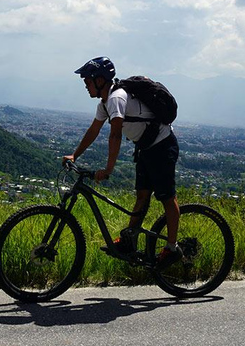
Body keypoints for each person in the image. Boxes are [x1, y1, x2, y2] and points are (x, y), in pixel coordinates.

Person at [62, 57, 182, 269]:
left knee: (166, 197)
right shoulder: (104, 104)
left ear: (100, 80)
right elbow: (93, 131)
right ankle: (129, 242)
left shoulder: (117, 98)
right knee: (142, 196)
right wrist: (75, 155)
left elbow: (115, 134)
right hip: (146, 149)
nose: (86, 86)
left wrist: (108, 169)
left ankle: (171, 248)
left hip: (163, 146)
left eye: (88, 82)